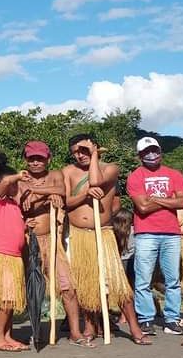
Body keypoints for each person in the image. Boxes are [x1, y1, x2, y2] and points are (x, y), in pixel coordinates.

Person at [61, 134, 150, 345]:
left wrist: (94, 157)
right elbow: (67, 201)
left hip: (104, 232)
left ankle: (135, 329)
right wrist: (84, 195)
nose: (79, 155)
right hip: (79, 235)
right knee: (87, 284)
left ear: (95, 148)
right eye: (76, 151)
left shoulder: (111, 168)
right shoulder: (68, 171)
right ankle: (90, 326)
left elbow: (96, 181)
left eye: (84, 150)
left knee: (118, 283)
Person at [17, 141, 89, 346]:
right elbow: (21, 201)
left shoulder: (56, 174)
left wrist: (43, 192)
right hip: (30, 241)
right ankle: (36, 332)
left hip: (52, 240)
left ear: (48, 159)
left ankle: (75, 331)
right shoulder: (21, 179)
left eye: (40, 158)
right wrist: (46, 195)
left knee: (67, 286)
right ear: (26, 159)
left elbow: (62, 190)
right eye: (32, 158)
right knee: (34, 288)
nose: (36, 162)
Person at [126, 136, 183, 336]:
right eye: (146, 152)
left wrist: (154, 198)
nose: (151, 155)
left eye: (154, 150)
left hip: (171, 232)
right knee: (143, 279)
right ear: (140, 156)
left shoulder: (174, 174)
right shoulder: (136, 176)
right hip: (145, 233)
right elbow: (142, 207)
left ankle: (172, 320)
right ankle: (145, 319)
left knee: (173, 279)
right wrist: (169, 199)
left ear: (160, 151)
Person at [0, 164, 28, 351]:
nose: (15, 185)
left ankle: (8, 334)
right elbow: (4, 183)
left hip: (15, 257)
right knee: (5, 299)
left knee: (11, 300)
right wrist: (18, 175)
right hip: (1, 255)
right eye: (13, 182)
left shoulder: (13, 204)